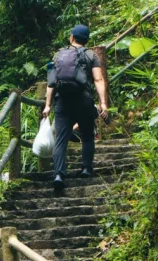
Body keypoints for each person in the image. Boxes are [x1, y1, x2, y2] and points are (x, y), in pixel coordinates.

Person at [44, 24, 110, 192]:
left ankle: (59, 174)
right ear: (87, 40)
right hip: (84, 100)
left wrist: (48, 105)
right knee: (87, 136)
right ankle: (86, 169)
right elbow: (98, 79)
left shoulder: (59, 54)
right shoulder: (91, 55)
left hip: (62, 101)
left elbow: (51, 82)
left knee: (61, 139)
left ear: (71, 37)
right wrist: (103, 103)